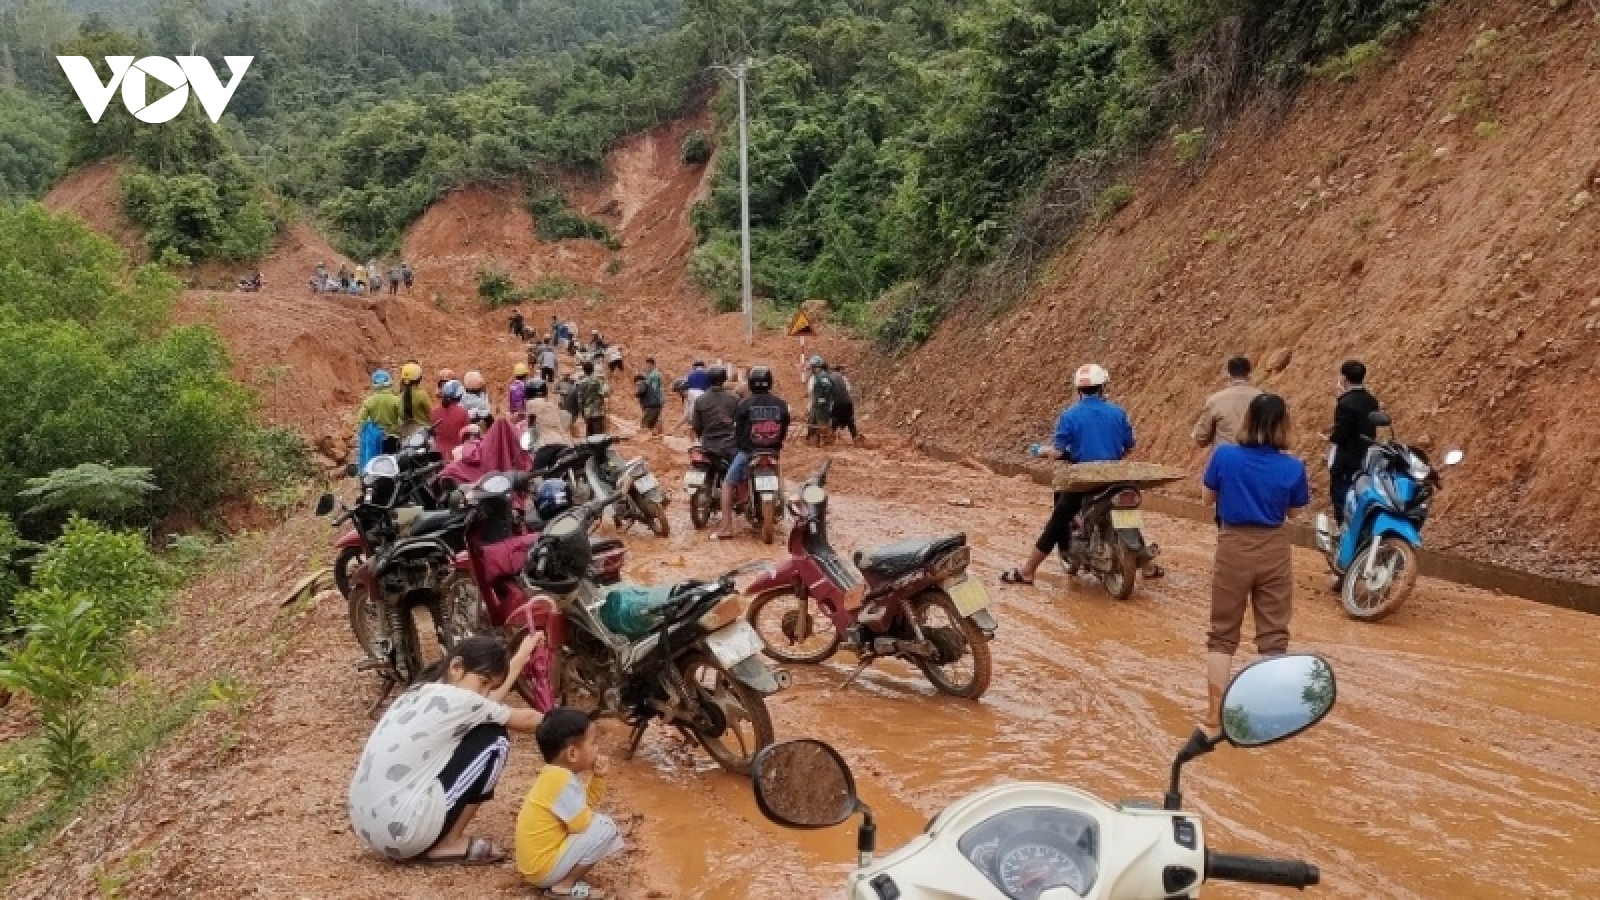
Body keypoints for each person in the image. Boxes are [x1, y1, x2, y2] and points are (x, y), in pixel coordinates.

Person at [348, 634, 542, 864]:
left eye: (489, 686)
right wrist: (573, 724)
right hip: (403, 835)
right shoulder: (463, 701)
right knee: (494, 739)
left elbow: (488, 704)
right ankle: (450, 842)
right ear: (456, 667)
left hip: (368, 829)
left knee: (487, 724)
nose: (484, 692)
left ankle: (436, 831)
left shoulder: (419, 692)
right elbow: (528, 720)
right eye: (483, 682)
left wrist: (521, 656)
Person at [1199, 393, 1309, 731]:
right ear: (1282, 425)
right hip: (1274, 548)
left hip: (1232, 544)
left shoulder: (1224, 456)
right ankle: (1266, 716)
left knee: (1222, 633)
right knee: (1273, 635)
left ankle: (1214, 715)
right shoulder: (1293, 466)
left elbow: (1207, 499)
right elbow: (1294, 511)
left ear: (1248, 420)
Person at [1000, 364, 1135, 585]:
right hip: (1116, 477)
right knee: (1129, 514)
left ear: (1079, 390)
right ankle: (1147, 565)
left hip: (1085, 480)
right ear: (1102, 387)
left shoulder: (1070, 415)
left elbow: (1058, 451)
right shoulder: (1119, 412)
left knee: (1058, 518)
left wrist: (1039, 450)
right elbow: (1129, 447)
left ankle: (1028, 571)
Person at [514, 708, 624, 896]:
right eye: (594, 742)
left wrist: (598, 778)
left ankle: (562, 877)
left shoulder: (556, 775)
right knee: (605, 826)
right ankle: (564, 886)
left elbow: (583, 806)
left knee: (598, 824)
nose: (598, 748)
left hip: (535, 867)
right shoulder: (561, 780)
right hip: (542, 870)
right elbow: (581, 823)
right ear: (572, 753)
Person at [716, 366, 790, 539]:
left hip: (749, 453)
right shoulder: (781, 404)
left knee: (727, 484)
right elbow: (785, 428)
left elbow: (738, 433)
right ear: (770, 382)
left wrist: (743, 446)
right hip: (772, 452)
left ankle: (727, 528)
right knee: (780, 476)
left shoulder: (745, 404)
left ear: (750, 383)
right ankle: (781, 501)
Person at [1324, 360, 1380, 525]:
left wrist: (1329, 437)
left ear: (1344, 378)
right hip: (1366, 456)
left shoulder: (1345, 402)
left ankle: (1344, 532)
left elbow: (1342, 434)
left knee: (1341, 495)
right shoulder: (1371, 400)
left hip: (1346, 458)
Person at [692, 367, 740, 533]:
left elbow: (696, 425)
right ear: (724, 379)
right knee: (736, 476)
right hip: (729, 446)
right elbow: (739, 423)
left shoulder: (700, 400)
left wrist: (703, 436)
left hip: (708, 445)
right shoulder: (734, 399)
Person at [1193, 356, 1261, 449]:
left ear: (1228, 375)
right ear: (1249, 374)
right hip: (1256, 460)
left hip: (1227, 460)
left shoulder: (1215, 400)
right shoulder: (1262, 398)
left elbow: (1201, 438)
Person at [357, 370, 402, 467]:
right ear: (389, 382)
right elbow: (403, 418)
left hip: (376, 439)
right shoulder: (396, 400)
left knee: (376, 465)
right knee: (393, 465)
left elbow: (361, 420)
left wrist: (369, 429)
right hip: (393, 438)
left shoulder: (369, 401)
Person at [526, 379, 572, 470]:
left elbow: (530, 427)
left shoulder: (531, 404)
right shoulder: (551, 406)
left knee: (535, 475)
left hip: (545, 446)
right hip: (563, 444)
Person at [431, 379, 470, 462]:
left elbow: (433, 436)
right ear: (460, 395)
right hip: (457, 457)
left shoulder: (434, 412)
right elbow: (467, 438)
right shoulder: (463, 413)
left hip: (438, 456)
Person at [804, 356, 836, 446]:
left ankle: (828, 441)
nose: (811, 369)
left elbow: (827, 388)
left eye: (812, 367)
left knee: (822, 424)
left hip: (822, 405)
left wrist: (822, 399)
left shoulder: (822, 376)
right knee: (812, 421)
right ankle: (813, 440)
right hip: (818, 404)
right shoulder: (820, 376)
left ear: (816, 366)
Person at [574, 360, 610, 436]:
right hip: (597, 409)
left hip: (587, 410)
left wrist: (581, 411)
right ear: (593, 369)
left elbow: (580, 399)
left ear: (584, 370)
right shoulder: (598, 381)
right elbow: (604, 393)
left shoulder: (581, 382)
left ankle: (590, 446)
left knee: (589, 429)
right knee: (598, 431)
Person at [397, 362, 432, 439]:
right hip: (422, 434)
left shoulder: (400, 395)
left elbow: (400, 415)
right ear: (419, 378)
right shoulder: (422, 394)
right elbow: (430, 414)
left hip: (405, 433)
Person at [829, 366, 861, 444]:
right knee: (849, 420)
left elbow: (829, 394)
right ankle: (855, 437)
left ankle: (829, 438)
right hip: (848, 403)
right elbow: (848, 391)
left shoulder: (829, 378)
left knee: (835, 419)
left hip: (838, 403)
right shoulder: (843, 378)